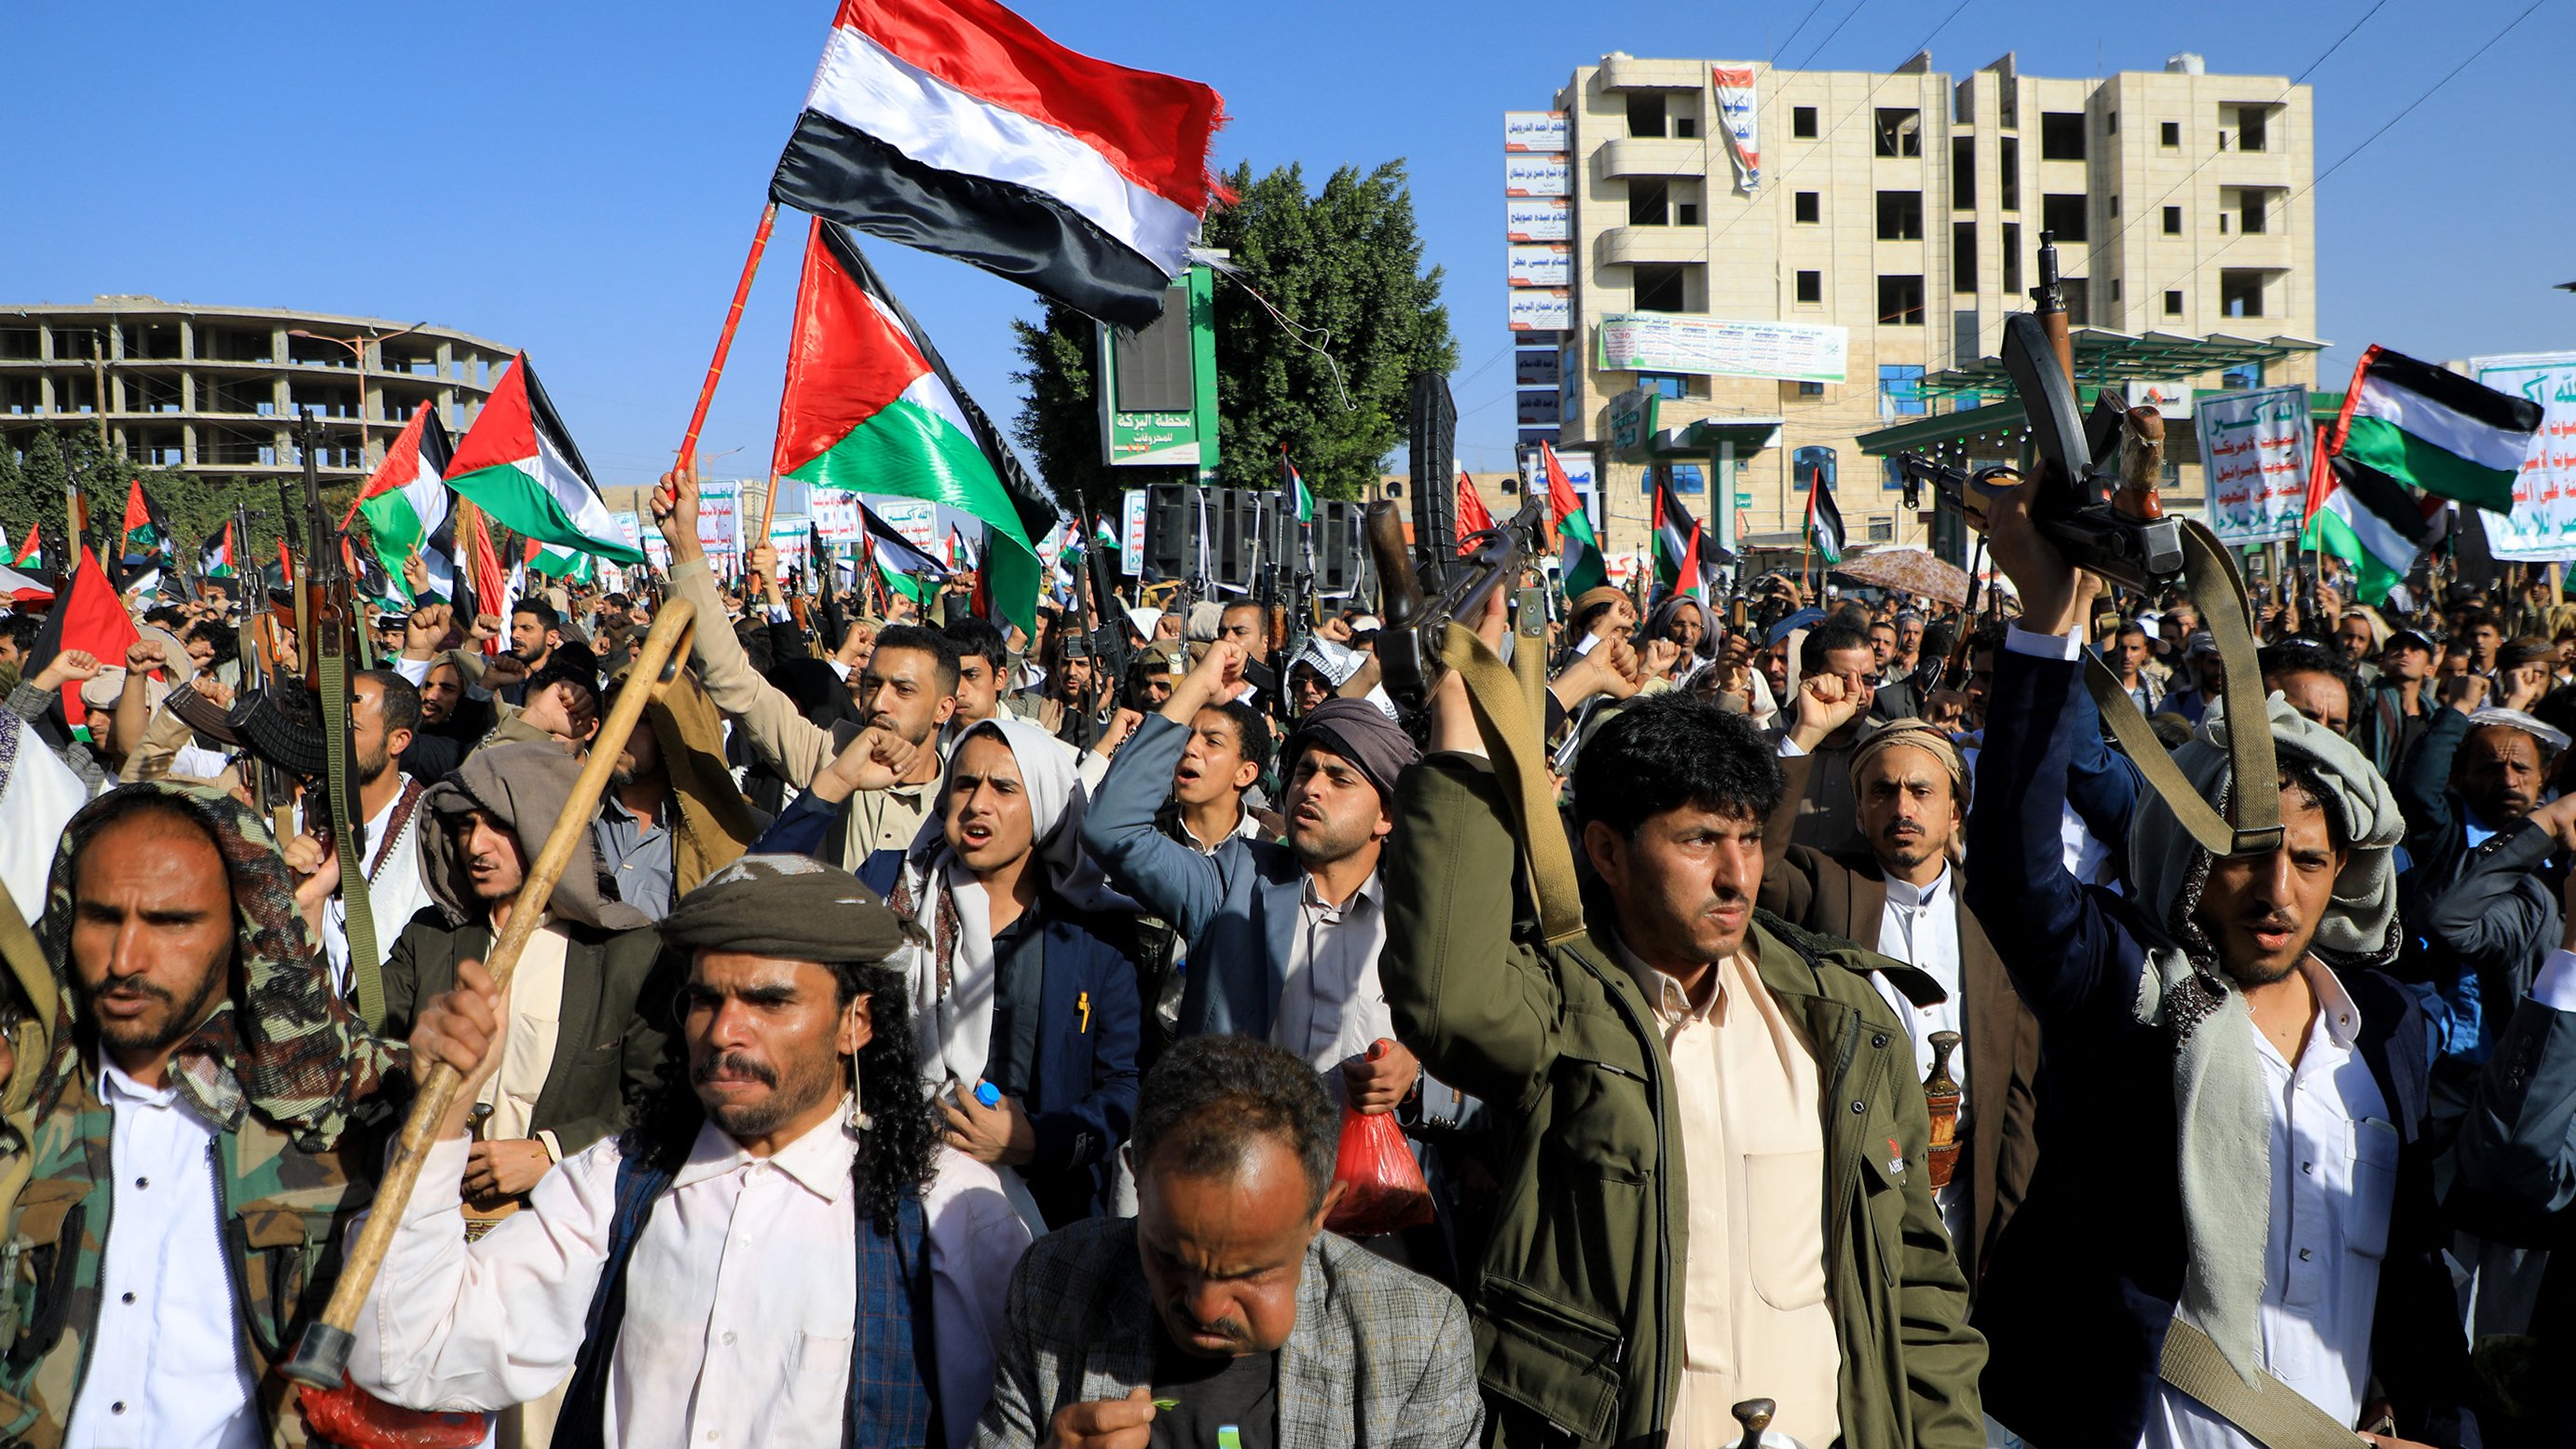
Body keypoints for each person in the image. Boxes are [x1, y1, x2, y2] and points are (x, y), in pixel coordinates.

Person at [1382, 604, 1985, 1449]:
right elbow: (1451, 1000)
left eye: (1747, 836)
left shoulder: (1838, 1019)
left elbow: (1918, 1289)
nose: (1738, 874)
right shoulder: (1564, 1009)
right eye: (1700, 839)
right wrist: (1463, 741)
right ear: (1605, 851)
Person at [1966, 484, 2476, 1445]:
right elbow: (2014, 880)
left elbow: (2412, 1275)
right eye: (2242, 852)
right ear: (2189, 861)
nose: (2274, 891)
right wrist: (2045, 622)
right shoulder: (2127, 988)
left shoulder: (2384, 1029)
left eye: (2309, 862)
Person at [352, 855, 1032, 1449]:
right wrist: (441, 1117)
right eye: (706, 998)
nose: (726, 1029)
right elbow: (410, 1352)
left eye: (769, 1000)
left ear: (855, 1022)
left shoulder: (949, 1213)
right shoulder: (618, 1180)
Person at [0, 784, 402, 1446]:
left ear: (243, 929)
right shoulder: (27, 1111)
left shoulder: (330, 1122)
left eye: (170, 921)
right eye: (102, 918)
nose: (124, 959)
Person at [971, 1034, 1482, 1449]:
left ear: (1320, 1215)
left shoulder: (1417, 1340)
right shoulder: (1057, 1286)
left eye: (1249, 1272)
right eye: (1171, 1257)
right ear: (1137, 1182)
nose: (1204, 1304)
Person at [1759, 700, 2041, 1294]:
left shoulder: (1997, 916)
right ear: (1860, 813)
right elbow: (1756, 868)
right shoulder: (1827, 885)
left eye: (1921, 790)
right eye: (1882, 792)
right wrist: (1804, 736)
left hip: (1963, 1193)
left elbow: (2017, 1087)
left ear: (1955, 811)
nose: (1902, 808)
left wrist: (2010, 1230)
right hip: (1854, 1185)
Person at [1084, 643, 1426, 1118]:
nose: (1312, 788)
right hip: (1229, 1174)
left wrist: (1415, 1071)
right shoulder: (1236, 879)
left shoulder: (1419, 921)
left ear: (1385, 816)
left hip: (1359, 1182)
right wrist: (1198, 686)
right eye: (1305, 771)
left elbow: (1480, 1064)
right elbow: (1111, 828)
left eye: (1339, 779)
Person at [860, 718, 1143, 1228]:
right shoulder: (890, 887)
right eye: (965, 783)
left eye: (1004, 787)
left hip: (1049, 1212)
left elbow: (1122, 1087)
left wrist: (1036, 1142)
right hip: (896, 1190)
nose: (977, 803)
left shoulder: (1097, 932)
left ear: (1046, 807)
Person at [386, 744, 668, 1211]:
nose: (477, 846)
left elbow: (660, 1106)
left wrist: (552, 1153)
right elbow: (366, 1055)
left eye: (499, 824)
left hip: (556, 1230)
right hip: (429, 1213)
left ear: (546, 826)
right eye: (465, 826)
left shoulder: (628, 953)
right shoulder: (430, 939)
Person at [653, 464, 960, 868]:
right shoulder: (831, 752)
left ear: (944, 709)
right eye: (872, 684)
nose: (880, 702)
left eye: (904, 690)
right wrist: (685, 546)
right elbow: (734, 682)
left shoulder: (966, 793)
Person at [286, 668, 436, 1005]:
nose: (332, 740)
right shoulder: (302, 818)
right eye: (330, 726)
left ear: (398, 740)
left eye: (350, 729)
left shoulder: (429, 830)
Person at [1777, 620, 1883, 854]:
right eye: (1844, 680)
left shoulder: (1885, 750)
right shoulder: (1774, 750)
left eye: (1869, 680)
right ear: (1808, 679)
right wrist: (1804, 737)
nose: (1861, 694)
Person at [2358, 628, 2438, 781]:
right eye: (2396, 648)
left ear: (2430, 669)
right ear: (2381, 662)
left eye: (2414, 649)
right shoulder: (2364, 701)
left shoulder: (2435, 717)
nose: (2404, 653)